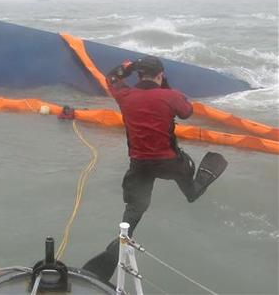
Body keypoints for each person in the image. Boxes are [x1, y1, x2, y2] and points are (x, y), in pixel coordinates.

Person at [82, 55, 227, 282]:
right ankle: (199, 183)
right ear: (160, 76)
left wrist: (126, 68)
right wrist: (166, 88)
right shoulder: (171, 96)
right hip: (170, 163)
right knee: (191, 192)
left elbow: (111, 77)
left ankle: (123, 237)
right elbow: (186, 112)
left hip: (140, 164)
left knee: (136, 207)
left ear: (139, 76)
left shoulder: (125, 95)